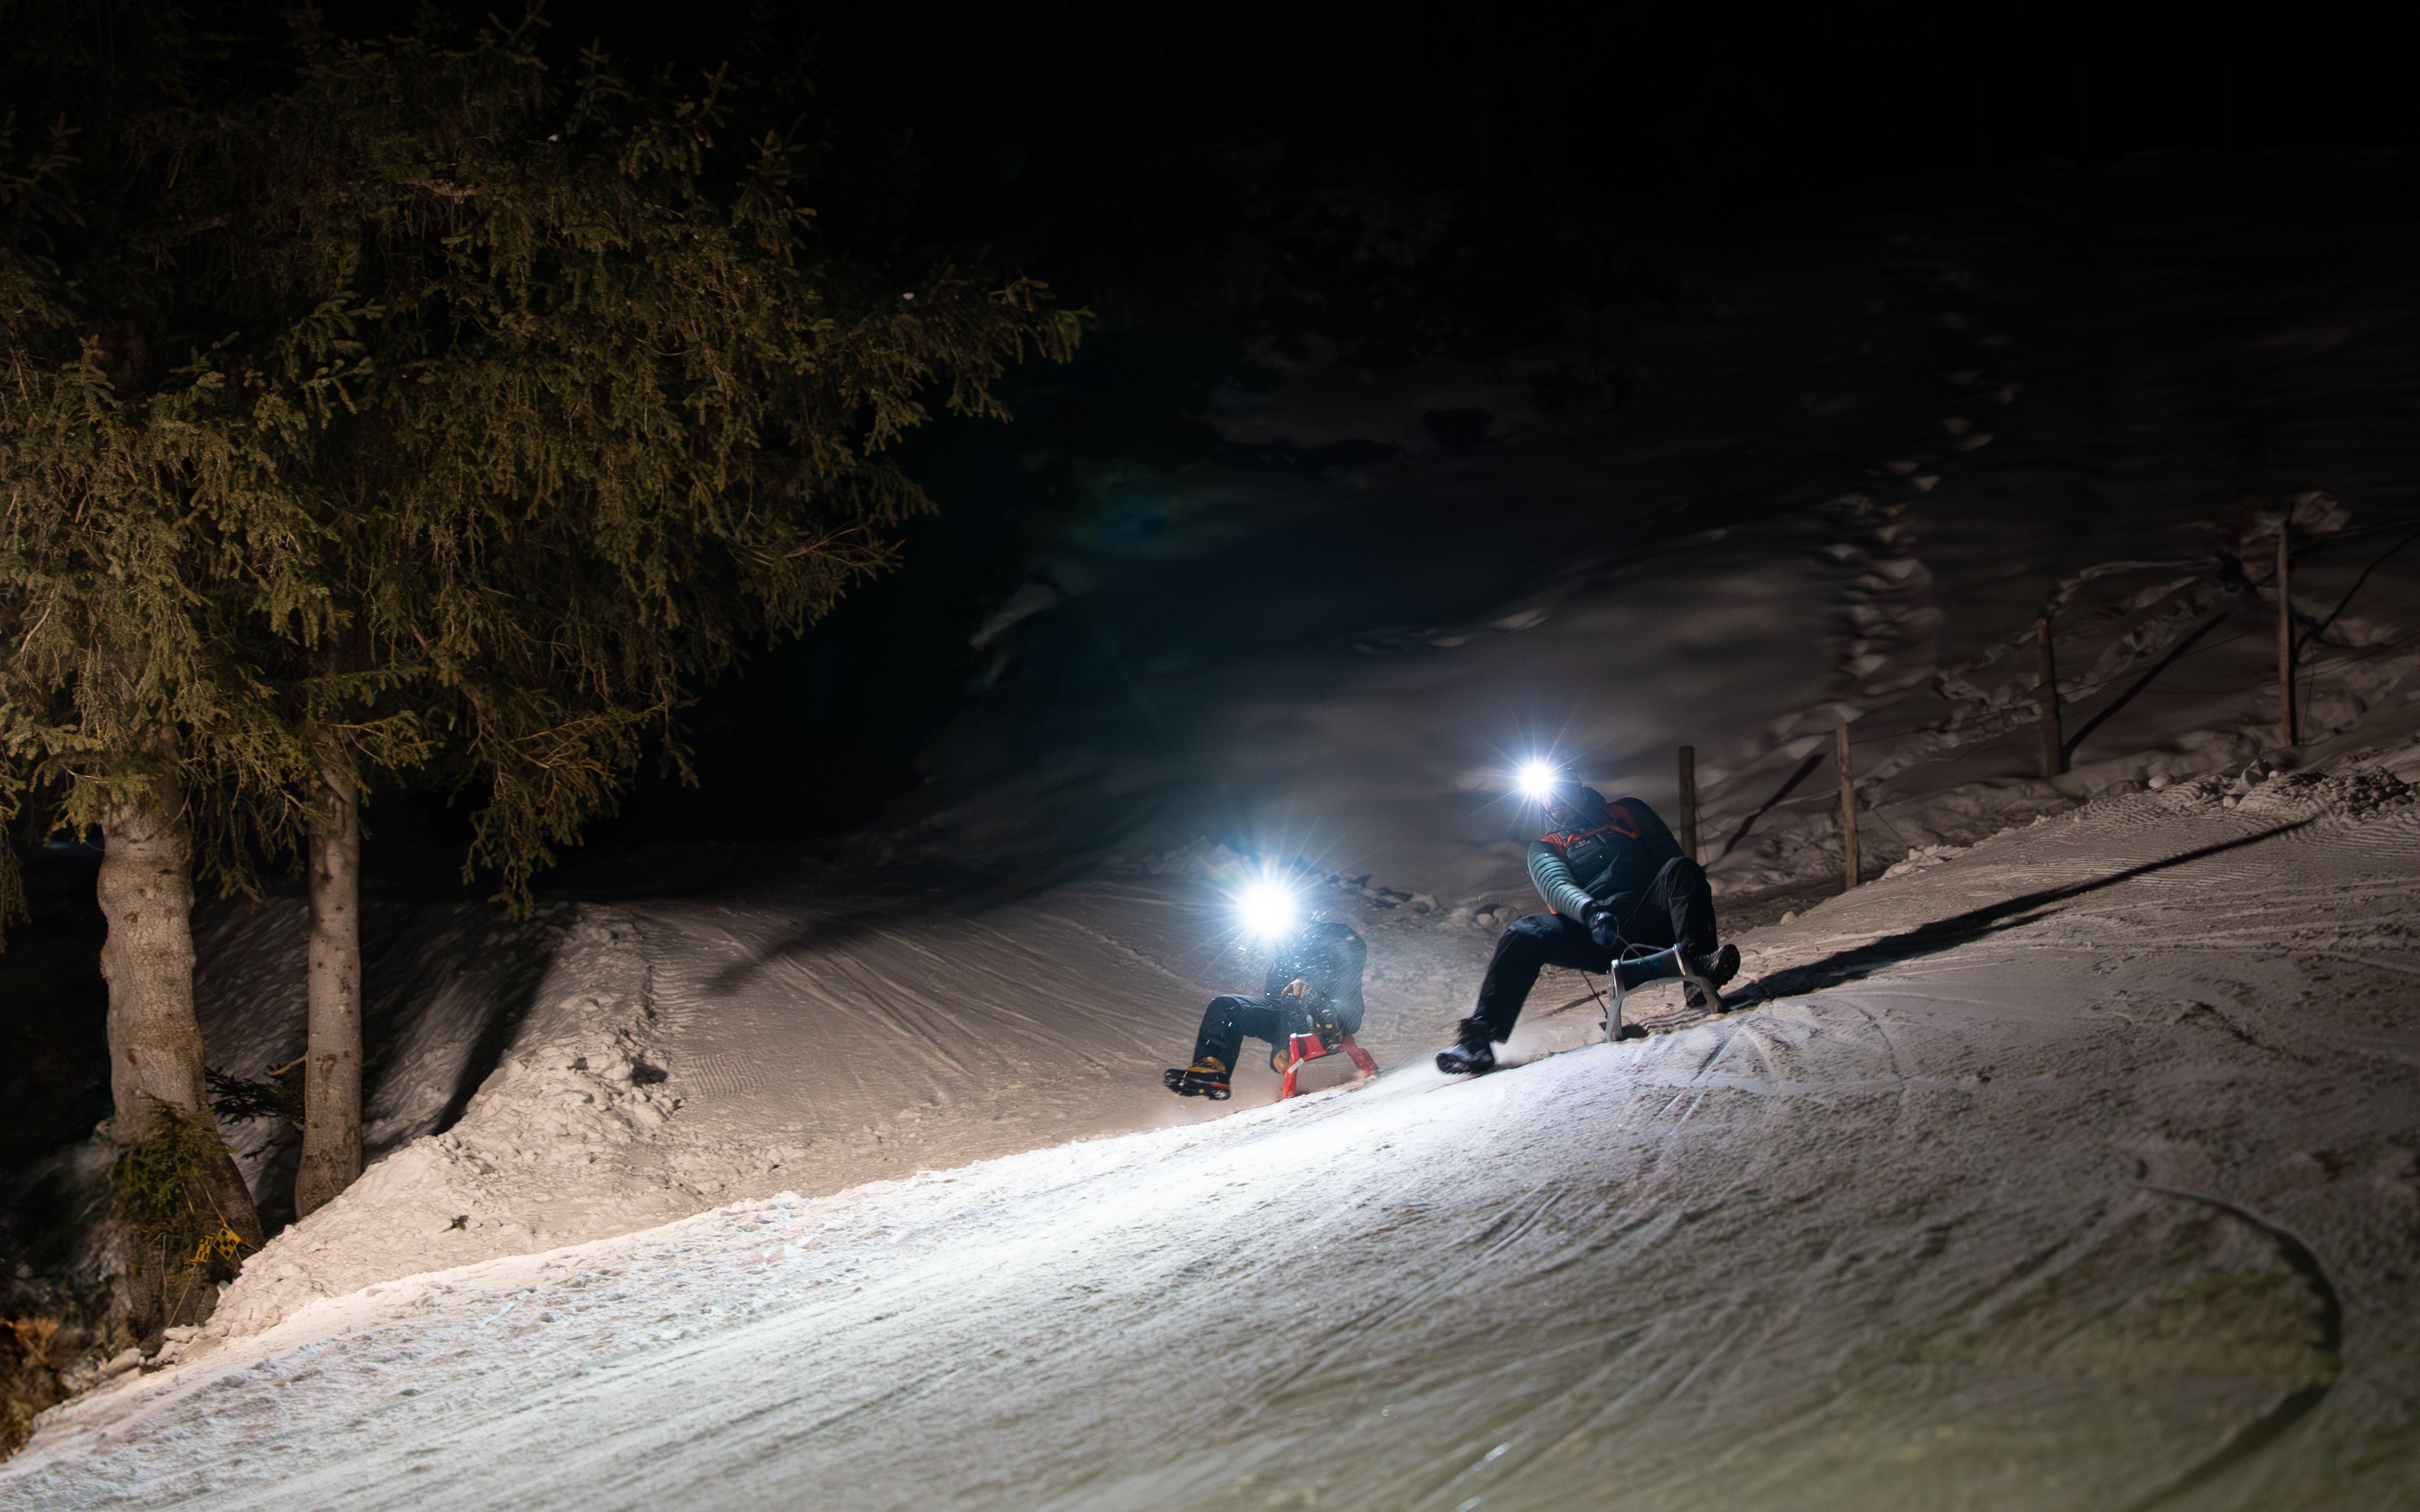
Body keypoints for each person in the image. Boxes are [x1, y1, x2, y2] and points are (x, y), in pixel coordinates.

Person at [1436, 769, 1738, 1075]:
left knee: (1682, 869)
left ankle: (1697, 969)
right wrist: (1591, 913)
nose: (1552, 802)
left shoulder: (1627, 812)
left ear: (1576, 788)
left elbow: (1669, 854)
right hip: (1603, 935)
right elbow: (1556, 885)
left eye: (1558, 793)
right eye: (1545, 797)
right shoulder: (1546, 846)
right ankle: (1479, 1040)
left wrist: (1677, 895)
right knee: (1524, 932)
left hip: (1655, 914)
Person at [1164, 919, 1369, 1100]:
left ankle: (1327, 1025)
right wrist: (1281, 1046)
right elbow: (1277, 1008)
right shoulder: (1282, 963)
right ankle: (1212, 1070)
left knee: (1312, 998)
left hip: (1338, 1010)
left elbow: (1353, 953)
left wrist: (1310, 982)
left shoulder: (1333, 935)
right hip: (1297, 1022)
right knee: (1227, 1005)